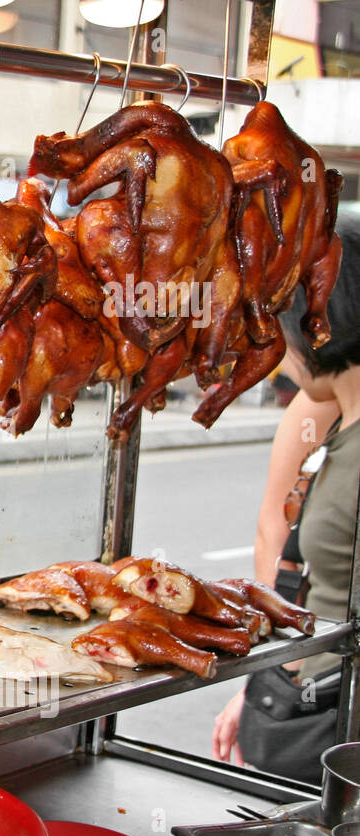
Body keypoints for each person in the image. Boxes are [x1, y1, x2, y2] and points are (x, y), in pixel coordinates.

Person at [212, 209, 360, 780]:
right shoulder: (329, 417)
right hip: (314, 697)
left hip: (336, 728)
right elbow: (284, 543)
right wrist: (266, 681)